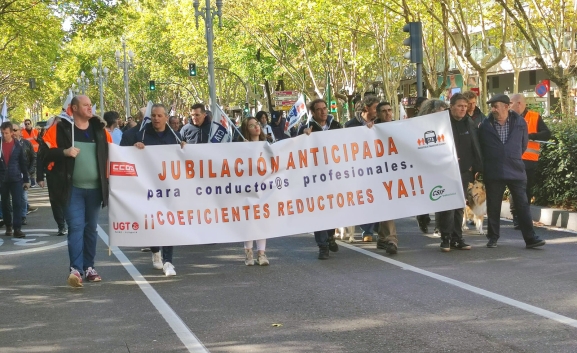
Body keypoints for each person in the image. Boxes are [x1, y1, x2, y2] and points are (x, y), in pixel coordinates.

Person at [43, 95, 112, 287]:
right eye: (86, 105)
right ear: (74, 108)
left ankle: (89, 267)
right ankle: (75, 269)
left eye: (91, 105)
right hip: (71, 189)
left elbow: (115, 152)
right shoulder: (61, 129)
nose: (90, 108)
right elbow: (43, 153)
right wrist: (64, 152)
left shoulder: (99, 129)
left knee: (91, 228)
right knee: (76, 227)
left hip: (96, 190)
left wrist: (138, 148)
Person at [478, 94, 546, 249]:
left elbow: (523, 144)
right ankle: (493, 237)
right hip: (494, 171)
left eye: (496, 106)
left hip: (515, 169)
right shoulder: (485, 125)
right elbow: (482, 147)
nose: (493, 109)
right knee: (493, 206)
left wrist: (511, 156)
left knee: (522, 205)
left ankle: (530, 238)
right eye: (492, 106)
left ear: (506, 107)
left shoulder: (520, 122)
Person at [129, 104, 184, 275]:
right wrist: (136, 147)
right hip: (148, 187)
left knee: (169, 222)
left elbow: (182, 156)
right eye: (153, 115)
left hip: (169, 187)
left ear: (166, 117)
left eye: (160, 116)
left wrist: (184, 147)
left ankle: (168, 261)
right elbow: (131, 156)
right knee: (152, 222)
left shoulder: (175, 135)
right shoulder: (142, 134)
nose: (156, 119)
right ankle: (155, 251)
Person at [435, 94, 483, 252]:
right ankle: (445, 238)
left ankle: (457, 238)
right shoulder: (441, 121)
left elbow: (474, 145)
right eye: (460, 106)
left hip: (464, 171)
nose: (464, 109)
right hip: (445, 170)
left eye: (465, 106)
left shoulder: (469, 122)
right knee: (447, 205)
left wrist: (475, 167)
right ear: (451, 106)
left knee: (459, 205)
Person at [298, 99, 342, 259]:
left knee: (333, 209)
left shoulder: (336, 125)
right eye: (319, 109)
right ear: (313, 112)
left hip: (334, 176)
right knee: (319, 212)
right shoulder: (305, 128)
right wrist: (303, 137)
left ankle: (330, 235)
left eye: (325, 108)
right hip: (315, 178)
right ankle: (322, 246)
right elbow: (296, 149)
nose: (323, 112)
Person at [508, 93, 551, 229]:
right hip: (514, 160)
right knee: (515, 189)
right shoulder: (508, 117)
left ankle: (524, 217)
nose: (509, 106)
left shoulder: (534, 116)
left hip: (530, 161)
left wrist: (531, 136)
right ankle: (516, 217)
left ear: (518, 103)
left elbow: (547, 134)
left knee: (526, 190)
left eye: (510, 103)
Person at [344, 96, 380, 243]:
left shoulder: (381, 123)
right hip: (358, 168)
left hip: (378, 166)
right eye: (375, 108)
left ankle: (376, 226)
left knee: (378, 197)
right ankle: (367, 230)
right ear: (366, 108)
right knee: (365, 198)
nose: (377, 111)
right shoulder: (350, 125)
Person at [237, 117, 270, 266]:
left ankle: (261, 254)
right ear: (246, 130)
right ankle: (248, 252)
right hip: (247, 188)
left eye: (257, 124)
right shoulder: (242, 147)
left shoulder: (268, 145)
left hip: (264, 188)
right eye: (251, 125)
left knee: (262, 220)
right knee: (249, 220)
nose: (256, 127)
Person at [415, 100, 450, 235]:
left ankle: (439, 227)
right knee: (425, 194)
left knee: (440, 195)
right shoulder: (418, 124)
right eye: (439, 112)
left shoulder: (447, 125)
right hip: (424, 165)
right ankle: (422, 217)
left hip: (441, 165)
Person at [37, 116, 68, 236]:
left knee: (67, 199)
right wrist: (40, 177)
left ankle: (68, 221)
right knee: (56, 201)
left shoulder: (69, 136)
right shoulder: (46, 139)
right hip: (53, 173)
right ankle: (61, 225)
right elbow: (41, 158)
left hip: (67, 172)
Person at [0, 122, 30, 238]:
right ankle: (8, 225)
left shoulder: (18, 146)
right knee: (5, 203)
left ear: (12, 132)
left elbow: (23, 163)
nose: (4, 135)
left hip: (16, 178)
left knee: (17, 203)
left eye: (6, 133)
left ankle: (17, 228)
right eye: (2, 133)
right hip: (2, 179)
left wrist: (26, 179)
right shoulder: (0, 145)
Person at [12, 123, 37, 225]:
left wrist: (29, 171)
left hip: (24, 175)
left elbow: (34, 157)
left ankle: (22, 216)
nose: (13, 132)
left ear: (20, 132)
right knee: (11, 197)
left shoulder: (26, 144)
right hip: (10, 175)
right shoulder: (6, 145)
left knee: (23, 197)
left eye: (15, 130)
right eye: (11, 130)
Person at [21, 119, 39, 186]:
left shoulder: (35, 131)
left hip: (36, 150)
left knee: (33, 165)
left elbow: (40, 140)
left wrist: (37, 139)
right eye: (26, 124)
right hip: (27, 152)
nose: (27, 125)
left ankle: (33, 181)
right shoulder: (22, 132)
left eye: (28, 123)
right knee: (29, 166)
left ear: (31, 124)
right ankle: (29, 180)